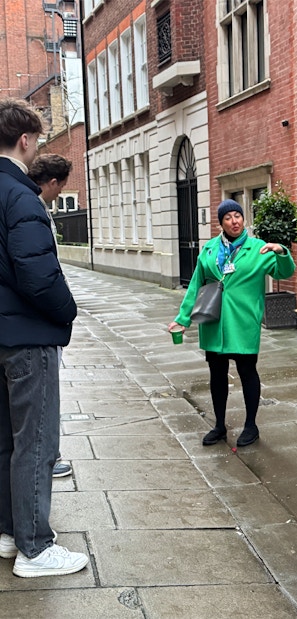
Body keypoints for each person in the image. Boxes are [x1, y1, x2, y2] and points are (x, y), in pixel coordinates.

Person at [0, 99, 88, 577]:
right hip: (27, 338)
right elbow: (38, 276)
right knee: (35, 441)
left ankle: (11, 533)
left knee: (5, 441)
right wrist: (68, 310)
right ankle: (35, 547)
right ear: (26, 140)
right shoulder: (20, 196)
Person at [169, 198, 295, 447]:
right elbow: (196, 285)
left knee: (247, 372)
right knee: (216, 375)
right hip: (213, 323)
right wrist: (182, 319)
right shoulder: (209, 250)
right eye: (228, 217)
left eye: (237, 215)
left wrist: (281, 251)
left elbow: (285, 272)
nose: (234, 221)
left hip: (243, 322)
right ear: (221, 223)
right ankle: (219, 425)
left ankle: (251, 425)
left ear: (243, 219)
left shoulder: (259, 248)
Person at [28, 153, 74, 479]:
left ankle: (48, 455)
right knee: (44, 396)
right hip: (37, 324)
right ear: (53, 182)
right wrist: (66, 311)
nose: (60, 194)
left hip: (31, 323)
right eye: (61, 188)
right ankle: (49, 458)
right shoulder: (31, 206)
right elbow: (40, 271)